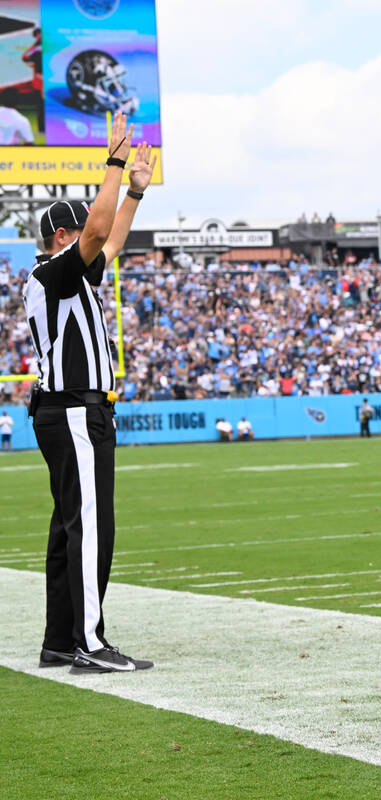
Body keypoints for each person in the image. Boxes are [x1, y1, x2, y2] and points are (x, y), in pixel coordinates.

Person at [21, 113, 156, 673]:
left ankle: (59, 640)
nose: (92, 236)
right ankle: (88, 643)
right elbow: (97, 234)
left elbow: (110, 241)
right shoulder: (52, 272)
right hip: (74, 409)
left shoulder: (67, 274)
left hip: (74, 409)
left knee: (69, 527)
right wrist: (114, 163)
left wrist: (133, 195)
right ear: (61, 236)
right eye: (82, 228)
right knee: (90, 527)